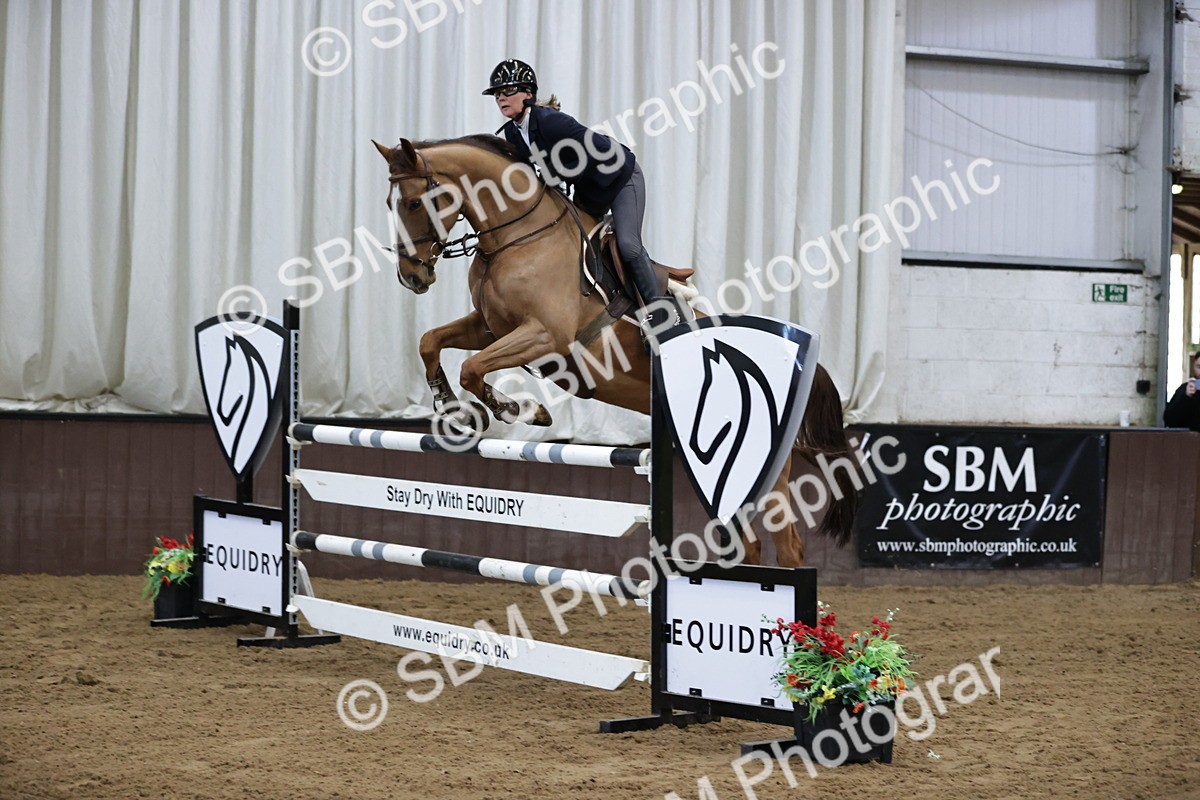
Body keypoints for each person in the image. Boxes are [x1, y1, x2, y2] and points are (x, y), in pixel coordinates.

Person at [482, 58, 678, 329]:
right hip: (590, 189)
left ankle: (662, 310)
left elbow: (590, 155)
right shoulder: (513, 135)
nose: (501, 98)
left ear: (528, 93)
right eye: (496, 94)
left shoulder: (552, 122)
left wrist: (553, 173)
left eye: (507, 91)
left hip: (620, 176)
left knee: (629, 245)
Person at [1164, 352, 1200, 432]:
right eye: (1199, 367)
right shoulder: (1184, 390)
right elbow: (1170, 420)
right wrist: (1186, 397)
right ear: (1194, 367)